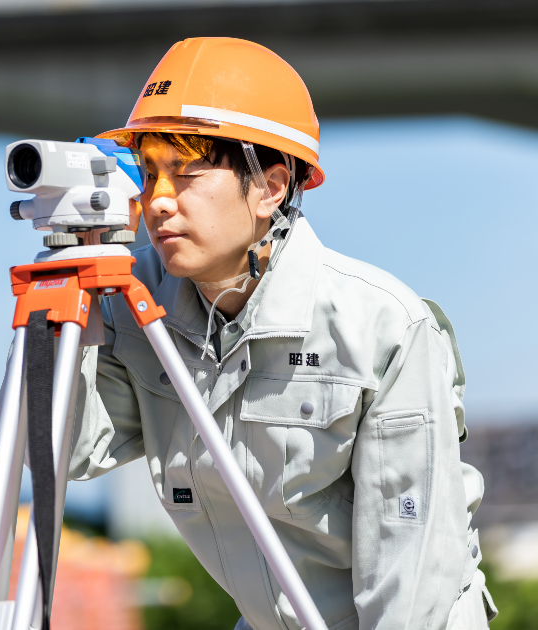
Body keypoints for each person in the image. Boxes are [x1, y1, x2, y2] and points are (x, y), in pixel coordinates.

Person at [60, 37, 496, 629]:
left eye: (185, 170)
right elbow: (68, 452)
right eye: (150, 170)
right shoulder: (127, 300)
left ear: (270, 186)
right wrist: (70, 289)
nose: (158, 201)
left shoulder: (381, 326)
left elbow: (410, 568)